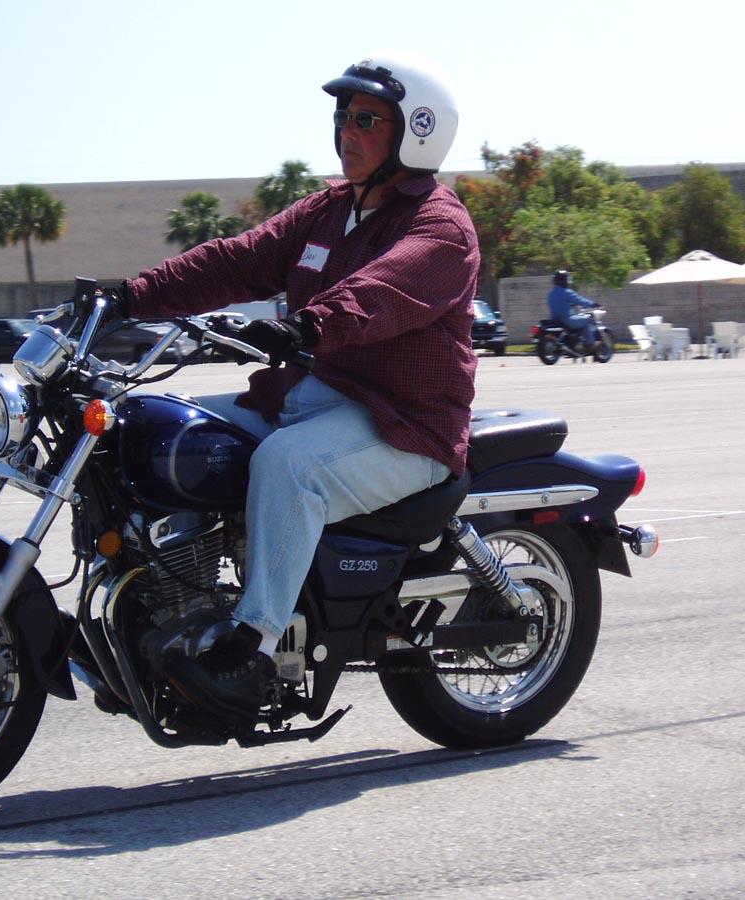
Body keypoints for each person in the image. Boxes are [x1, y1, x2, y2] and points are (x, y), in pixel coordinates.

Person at [119, 52, 480, 718]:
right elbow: (236, 259)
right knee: (164, 429)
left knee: (288, 466)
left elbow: (381, 290)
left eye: (367, 119)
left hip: (405, 423)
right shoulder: (329, 210)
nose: (346, 131)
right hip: (314, 396)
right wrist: (128, 296)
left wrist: (307, 325)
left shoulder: (440, 225)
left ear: (417, 130)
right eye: (342, 116)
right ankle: (165, 605)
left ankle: (254, 650)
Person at [546, 269, 599, 348]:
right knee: (588, 320)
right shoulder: (566, 292)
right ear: (565, 280)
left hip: (556, 320)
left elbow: (561, 303)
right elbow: (580, 300)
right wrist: (593, 304)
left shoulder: (551, 293)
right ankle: (590, 344)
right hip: (567, 319)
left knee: (580, 318)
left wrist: (571, 304)